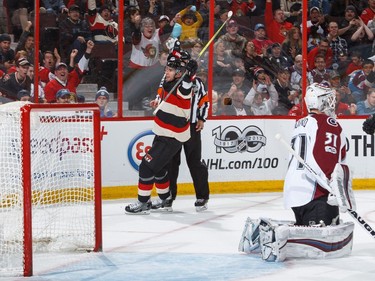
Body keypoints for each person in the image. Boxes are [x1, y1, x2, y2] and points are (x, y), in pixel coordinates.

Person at [239, 82, 355, 262]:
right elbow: (327, 157)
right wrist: (334, 187)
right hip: (316, 192)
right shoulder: (329, 123)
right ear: (321, 101)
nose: (332, 103)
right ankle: (275, 237)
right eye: (329, 99)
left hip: (295, 190)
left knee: (312, 230)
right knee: (323, 240)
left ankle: (258, 234)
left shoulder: (302, 122)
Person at [124, 53, 197, 214]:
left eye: (170, 70)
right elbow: (169, 98)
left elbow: (185, 88)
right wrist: (159, 103)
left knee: (146, 166)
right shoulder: (169, 82)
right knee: (159, 168)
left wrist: (189, 75)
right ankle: (165, 199)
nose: (167, 72)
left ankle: (143, 203)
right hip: (163, 132)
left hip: (171, 136)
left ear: (179, 73)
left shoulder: (183, 86)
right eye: (167, 69)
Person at [152, 54, 210, 211]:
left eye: (185, 64)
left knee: (194, 162)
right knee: (170, 162)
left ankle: (202, 197)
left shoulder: (198, 83)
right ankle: (168, 197)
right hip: (172, 127)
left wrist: (201, 119)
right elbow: (161, 95)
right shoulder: (169, 82)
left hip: (191, 128)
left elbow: (204, 102)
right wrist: (157, 101)